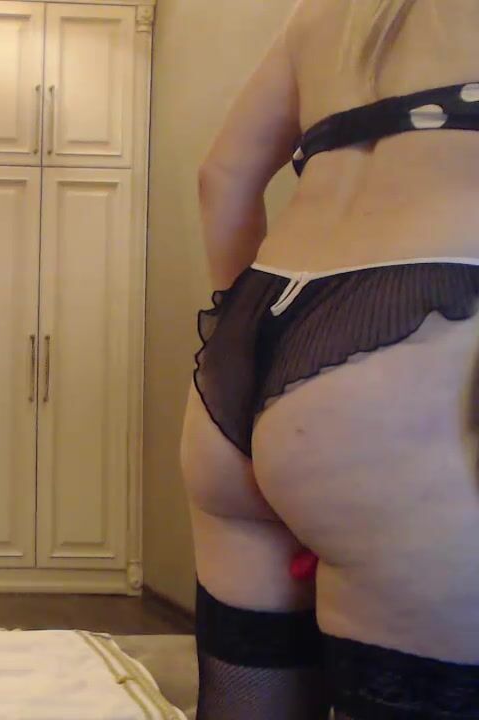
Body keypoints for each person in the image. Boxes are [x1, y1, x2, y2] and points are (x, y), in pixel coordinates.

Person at [182, 0, 479, 717]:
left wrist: (247, 354)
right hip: (417, 359)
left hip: (253, 340)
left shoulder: (322, 11)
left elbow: (222, 177)